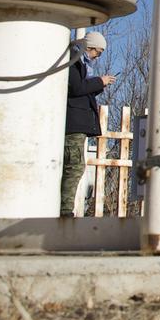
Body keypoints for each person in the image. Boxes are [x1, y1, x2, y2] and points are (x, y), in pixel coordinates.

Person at [62, 31, 114, 217]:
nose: (97, 57)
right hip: (73, 124)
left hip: (76, 122)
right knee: (74, 166)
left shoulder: (79, 63)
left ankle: (63, 207)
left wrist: (98, 85)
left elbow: (81, 91)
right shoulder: (74, 61)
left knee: (72, 166)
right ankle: (64, 209)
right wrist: (99, 81)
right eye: (97, 53)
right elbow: (76, 88)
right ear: (89, 48)